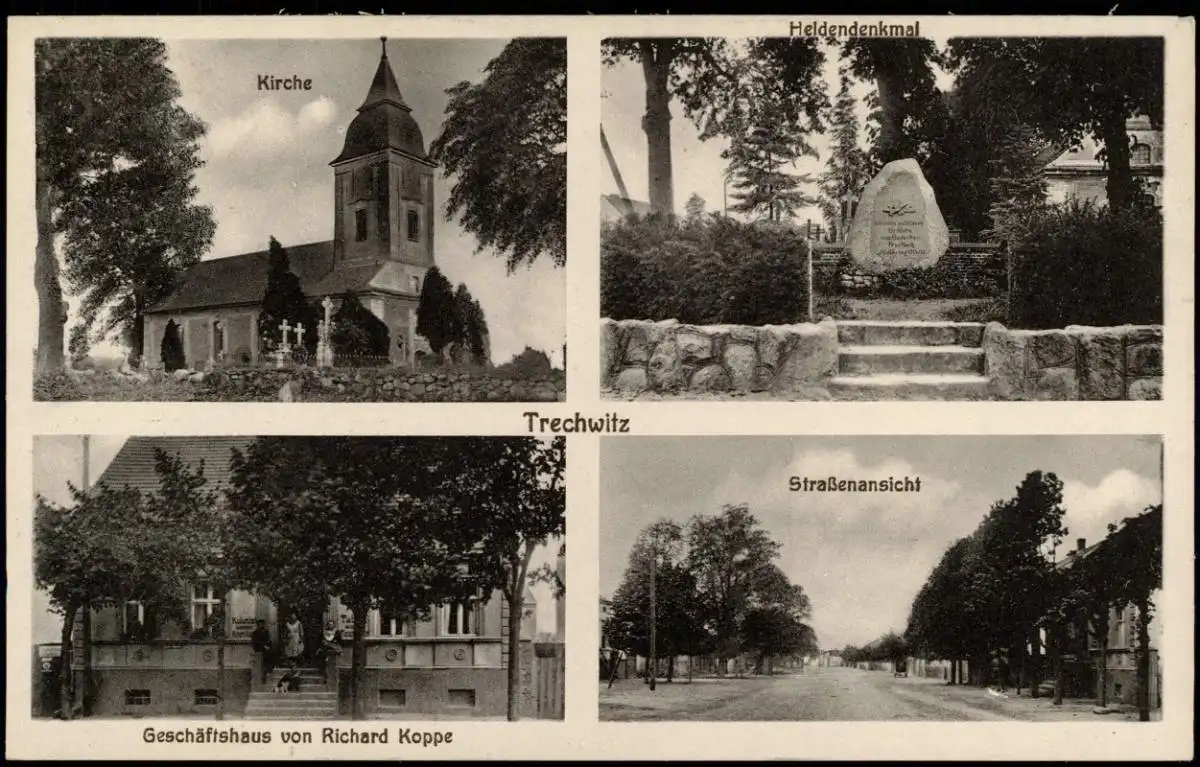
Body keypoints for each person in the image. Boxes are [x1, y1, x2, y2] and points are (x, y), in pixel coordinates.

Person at [250, 619, 273, 685]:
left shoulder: (266, 632)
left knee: (270, 653)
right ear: (258, 624)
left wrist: (268, 645)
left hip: (265, 649)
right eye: (260, 624)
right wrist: (263, 646)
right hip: (259, 648)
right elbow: (255, 642)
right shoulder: (255, 633)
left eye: (263, 624)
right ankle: (265, 673)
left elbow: (268, 640)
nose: (261, 625)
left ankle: (268, 671)